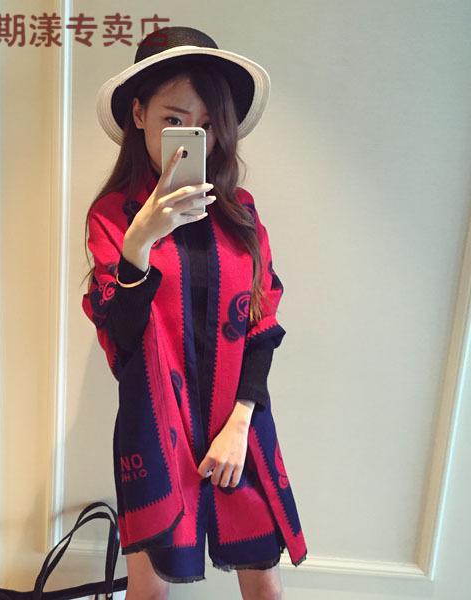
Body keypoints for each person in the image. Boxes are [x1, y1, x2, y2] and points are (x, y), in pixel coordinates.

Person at [81, 26, 307, 600]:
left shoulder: (242, 214)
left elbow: (262, 326)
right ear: (138, 115)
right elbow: (122, 338)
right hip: (155, 427)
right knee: (150, 591)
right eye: (175, 120)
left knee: (265, 587)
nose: (191, 138)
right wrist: (139, 243)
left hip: (240, 424)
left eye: (206, 125)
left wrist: (240, 423)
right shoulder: (113, 217)